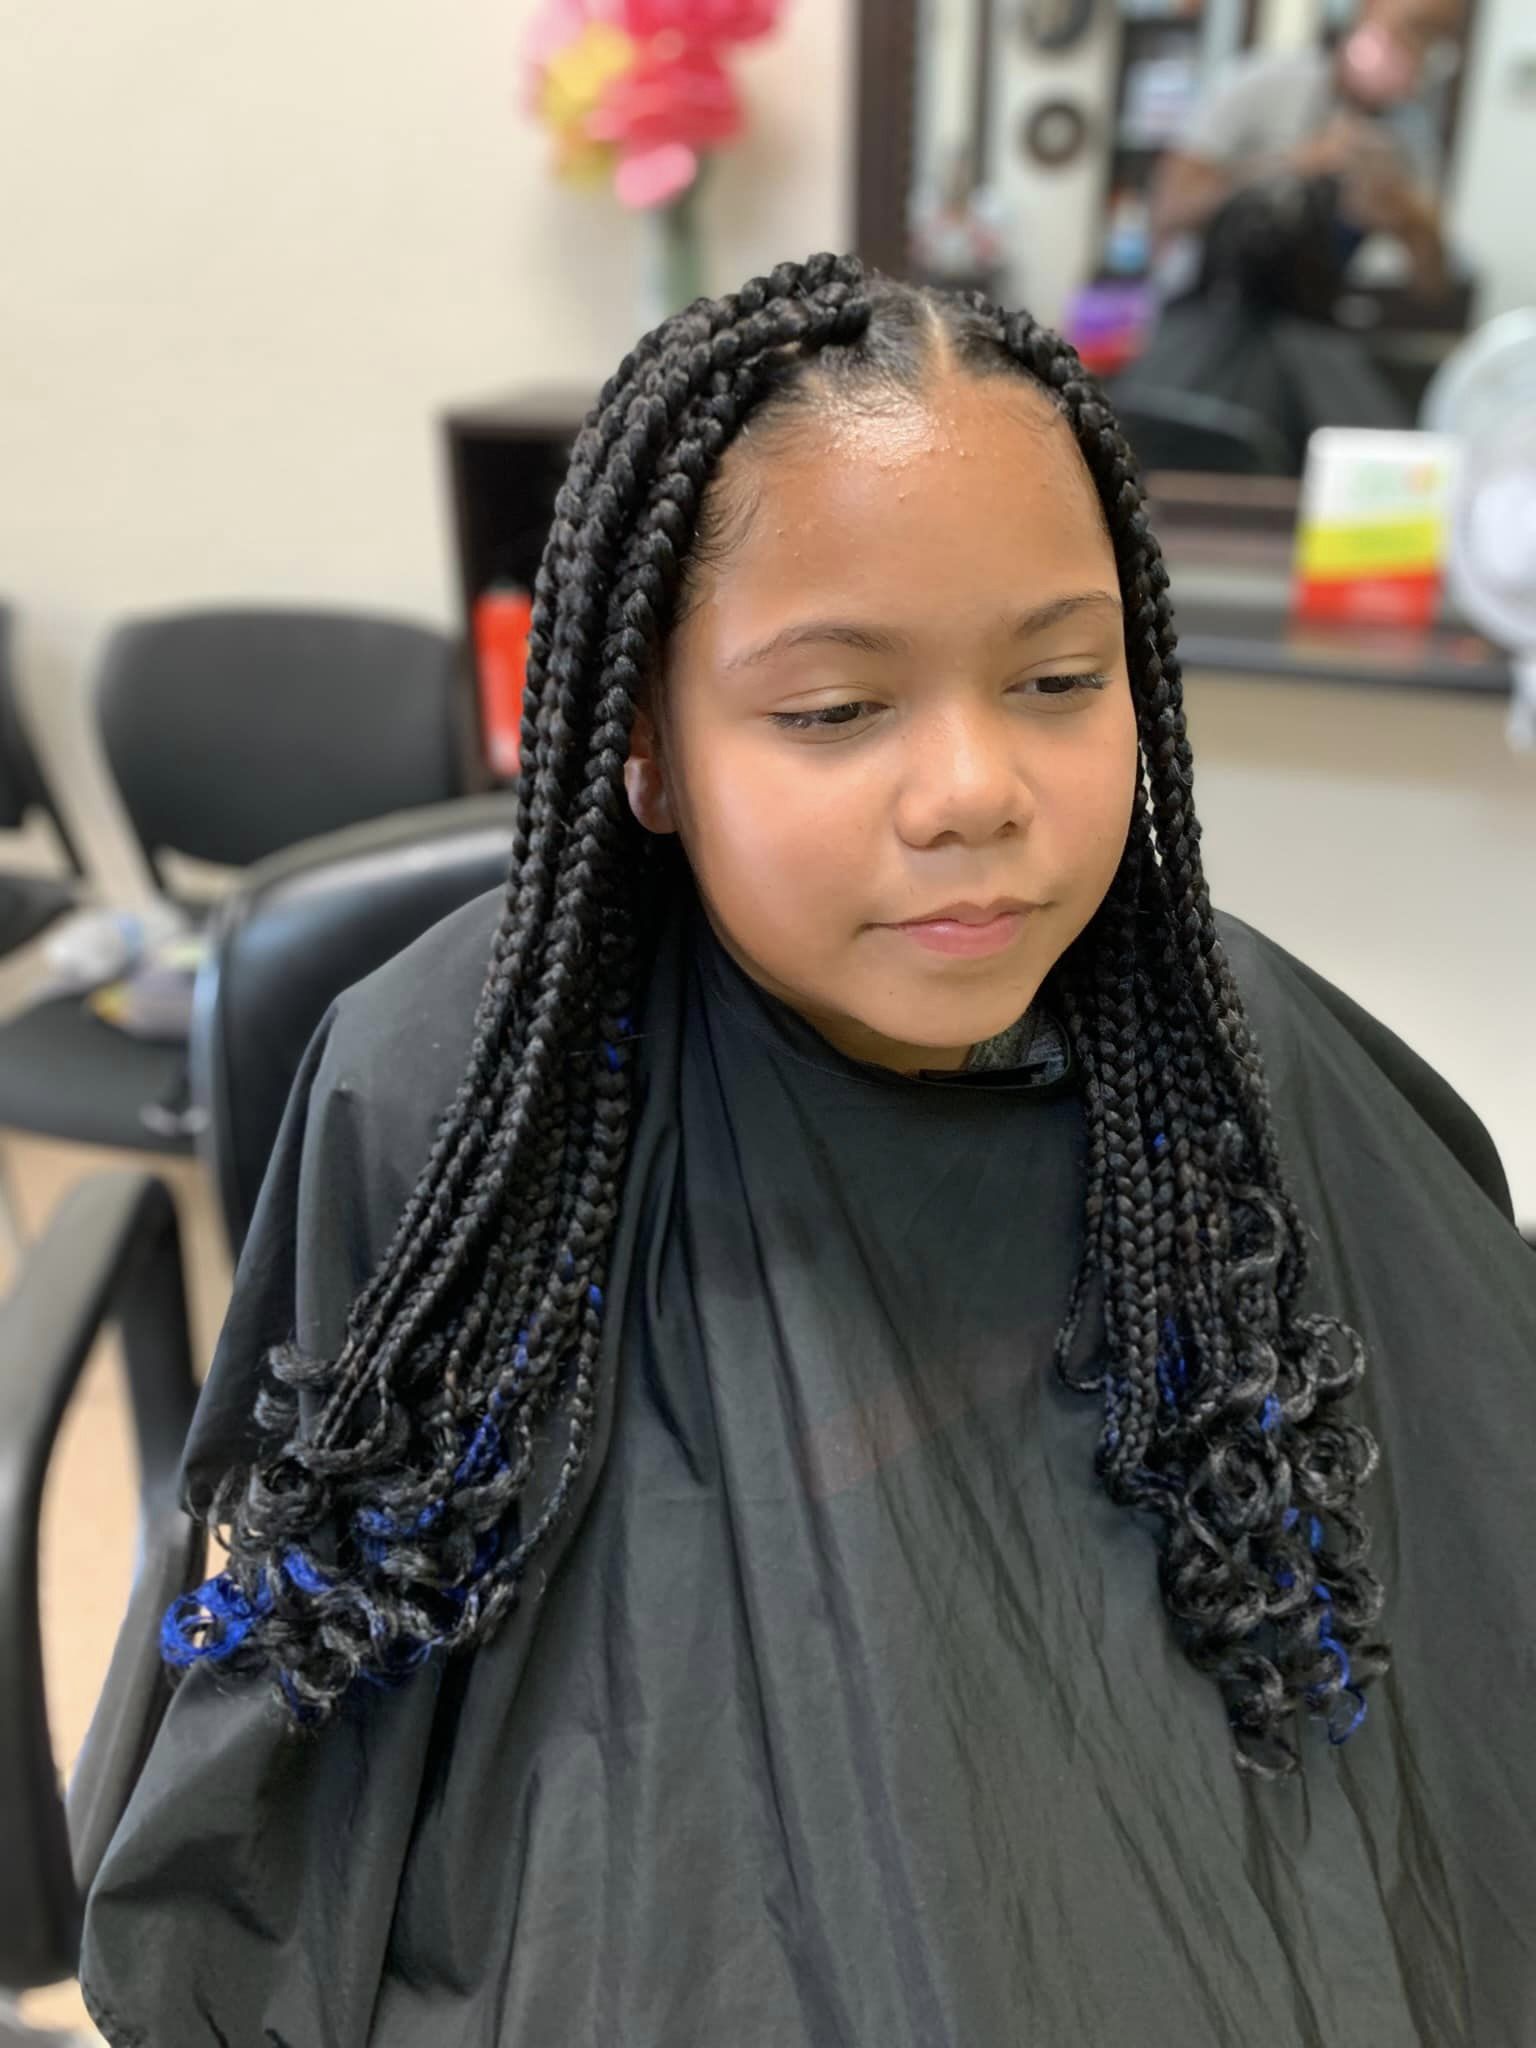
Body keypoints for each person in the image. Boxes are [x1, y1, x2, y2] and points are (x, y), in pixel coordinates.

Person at [79, 257, 1534, 2046]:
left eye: (1061, 678)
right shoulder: (445, 1096)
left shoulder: (1248, 1072)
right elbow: (291, 1826)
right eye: (836, 710)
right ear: (644, 743)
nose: (972, 790)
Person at [1152, 0, 1464, 304]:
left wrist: (1404, 216)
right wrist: (1296, 164)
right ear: (1369, 8)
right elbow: (1171, 208)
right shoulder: (1262, 84)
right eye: (1414, 27)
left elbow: (1434, 286)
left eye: (1436, 36)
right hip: (1208, 313)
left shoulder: (1411, 140)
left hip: (1311, 326)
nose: (1418, 49)